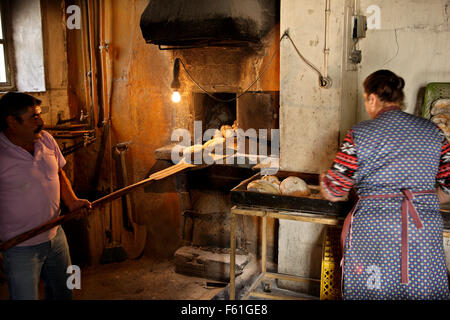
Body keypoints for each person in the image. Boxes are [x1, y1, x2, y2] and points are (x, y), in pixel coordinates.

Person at [320, 69, 450, 300]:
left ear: (372, 98)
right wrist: (425, 200)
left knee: (374, 293)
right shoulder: (434, 132)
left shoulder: (359, 133)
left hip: (375, 232)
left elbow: (334, 190)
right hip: (423, 231)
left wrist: (324, 180)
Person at [0, 92, 91, 300]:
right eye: (34, 117)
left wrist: (72, 201)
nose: (41, 121)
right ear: (12, 122)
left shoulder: (46, 140)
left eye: (39, 115)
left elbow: (58, 172)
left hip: (56, 235)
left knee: (64, 293)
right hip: (19, 247)